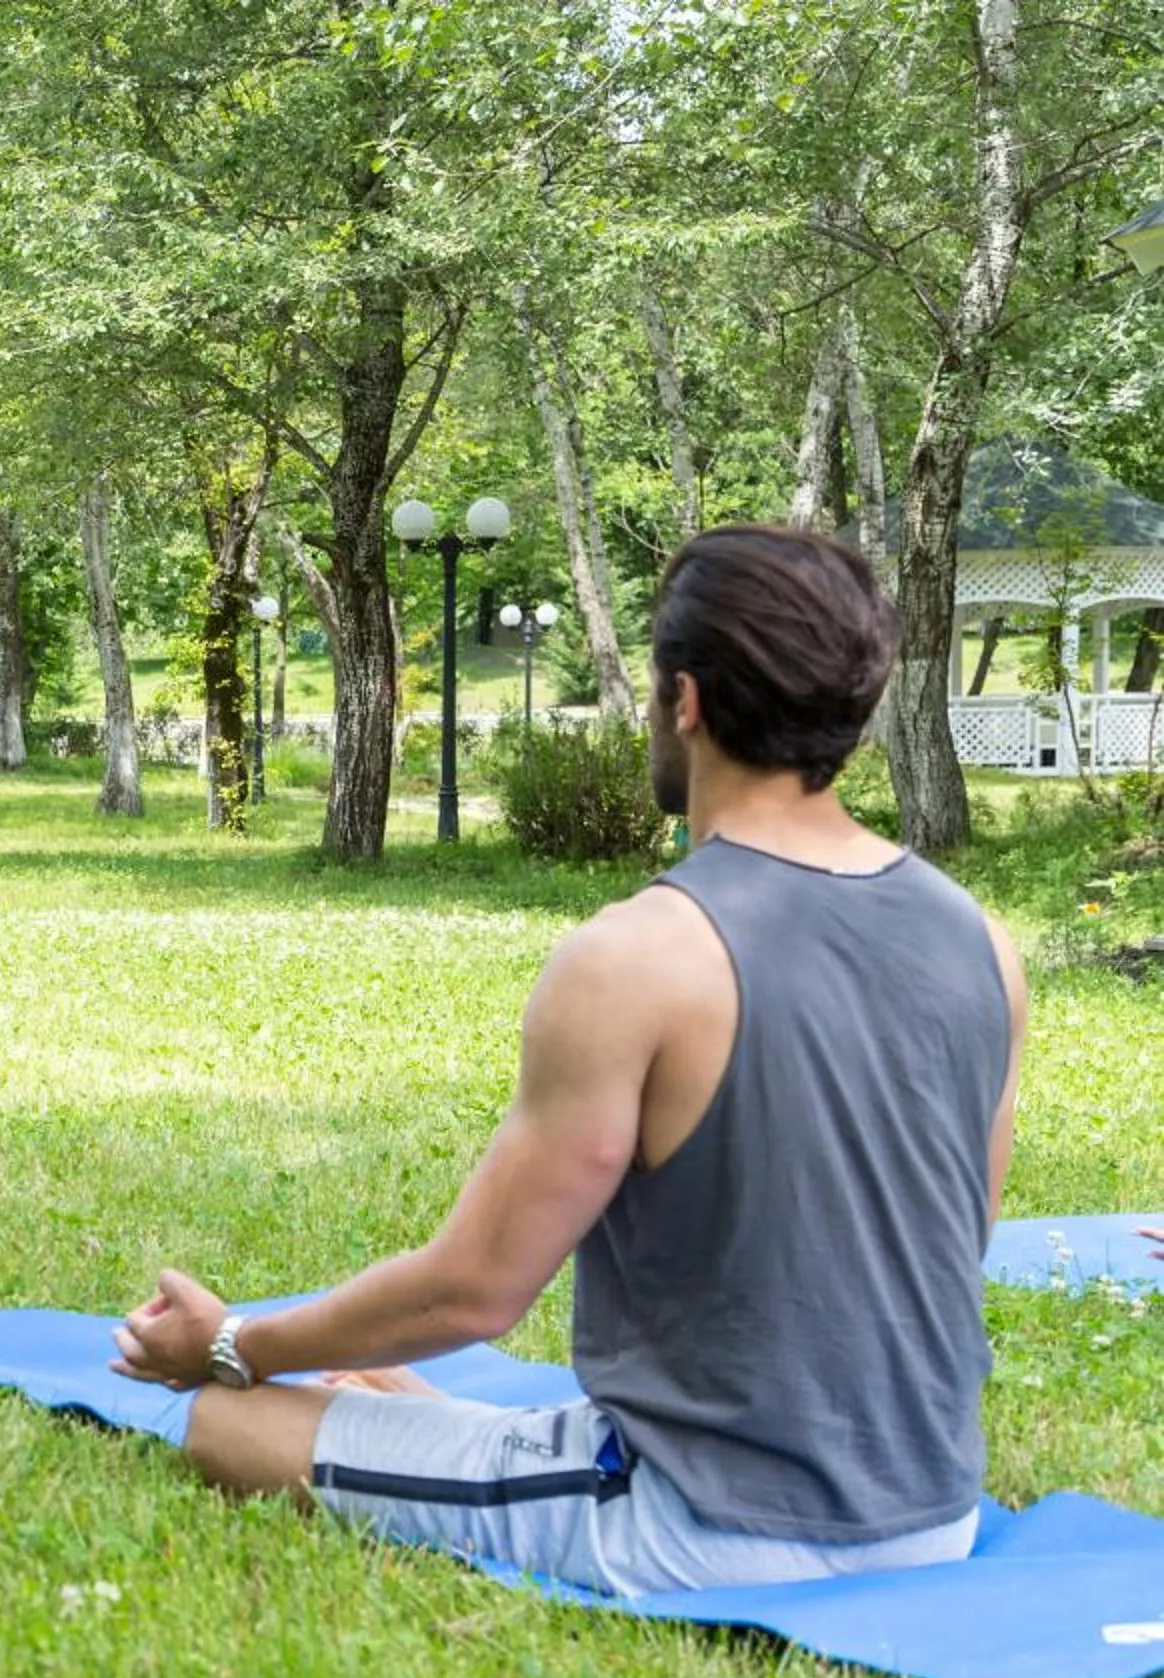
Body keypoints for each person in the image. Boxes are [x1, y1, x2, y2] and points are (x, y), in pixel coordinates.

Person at [112, 525, 1029, 1598]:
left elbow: (474, 1289)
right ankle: (443, 1431)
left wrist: (234, 1347)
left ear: (683, 699)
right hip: (935, 1512)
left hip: (707, 1529)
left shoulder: (638, 954)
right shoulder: (981, 939)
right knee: (393, 1401)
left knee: (232, 1425)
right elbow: (950, 1239)